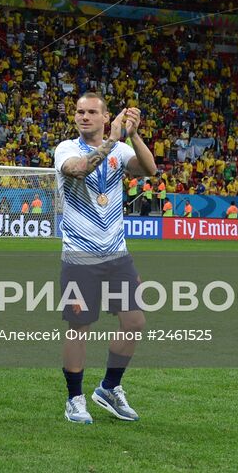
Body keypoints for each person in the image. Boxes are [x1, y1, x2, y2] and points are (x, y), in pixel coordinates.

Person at [54, 94, 157, 424]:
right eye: (79, 112)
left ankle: (109, 388)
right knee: (79, 327)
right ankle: (74, 398)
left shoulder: (122, 149)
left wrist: (134, 133)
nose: (84, 117)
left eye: (91, 112)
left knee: (134, 322)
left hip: (117, 255)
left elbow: (149, 170)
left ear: (105, 117)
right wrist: (113, 139)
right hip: (80, 255)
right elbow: (80, 170)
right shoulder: (66, 149)